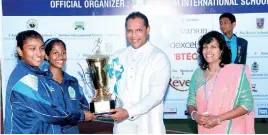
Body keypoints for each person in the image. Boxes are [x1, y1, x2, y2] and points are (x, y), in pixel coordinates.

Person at [4, 30, 95, 134]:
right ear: (20, 51)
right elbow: (51, 113)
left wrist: (97, 105)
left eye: (41, 48)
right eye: (32, 48)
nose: (38, 53)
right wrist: (81, 116)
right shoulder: (24, 79)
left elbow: (69, 107)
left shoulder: (38, 75)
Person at [104, 11, 171, 133]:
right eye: (129, 31)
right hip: (122, 127)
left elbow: (156, 96)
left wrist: (128, 112)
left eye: (138, 30)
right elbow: (111, 90)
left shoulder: (158, 58)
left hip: (149, 126)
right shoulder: (117, 57)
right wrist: (103, 98)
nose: (133, 35)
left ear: (148, 30)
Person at [187, 31, 255, 134]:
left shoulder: (235, 73)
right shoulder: (197, 74)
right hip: (205, 129)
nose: (208, 51)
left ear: (222, 50)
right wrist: (195, 115)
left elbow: (247, 104)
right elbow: (191, 102)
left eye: (213, 46)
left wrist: (218, 118)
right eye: (205, 47)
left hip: (232, 128)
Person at [43, 38, 91, 133]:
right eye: (55, 53)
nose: (61, 57)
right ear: (46, 56)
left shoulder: (73, 81)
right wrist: (81, 116)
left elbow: (84, 107)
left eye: (63, 52)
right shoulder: (42, 82)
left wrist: (96, 103)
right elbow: (49, 115)